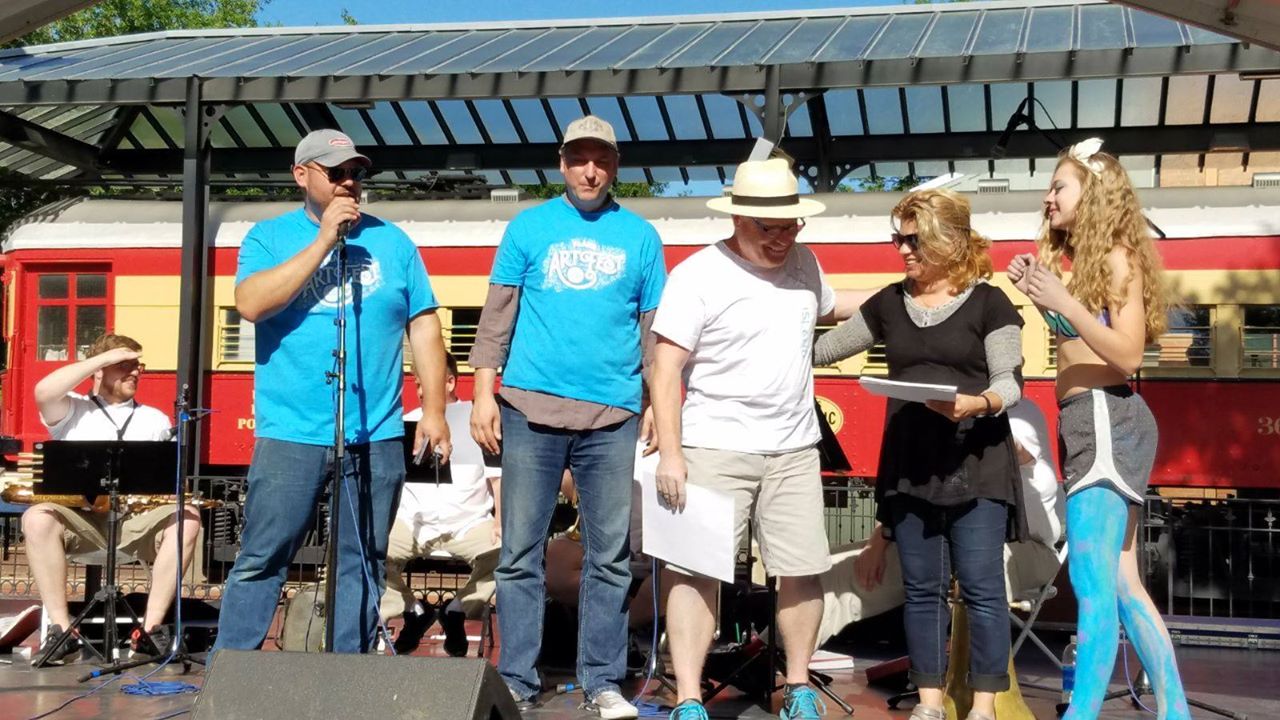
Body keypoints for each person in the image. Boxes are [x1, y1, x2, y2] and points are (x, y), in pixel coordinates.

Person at [214, 129, 451, 654]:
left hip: (375, 431)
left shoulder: (394, 243)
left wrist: (433, 410)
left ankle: (346, 674)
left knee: (362, 560)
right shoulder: (268, 238)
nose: (349, 182)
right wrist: (323, 239)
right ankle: (231, 671)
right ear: (301, 175)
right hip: (290, 431)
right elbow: (251, 304)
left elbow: (424, 326)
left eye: (356, 173)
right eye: (336, 172)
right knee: (263, 556)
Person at [468, 115, 666, 718]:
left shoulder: (641, 237)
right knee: (518, 554)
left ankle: (602, 682)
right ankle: (517, 682)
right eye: (579, 158)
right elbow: (497, 317)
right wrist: (482, 394)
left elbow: (653, 332)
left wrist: (658, 404)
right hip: (528, 408)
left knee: (610, 558)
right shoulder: (528, 227)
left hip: (613, 415)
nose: (590, 170)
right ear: (562, 163)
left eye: (601, 160)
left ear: (615, 166)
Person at [652, 157, 862, 720]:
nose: (782, 238)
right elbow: (665, 369)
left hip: (794, 448)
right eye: (769, 228)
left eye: (791, 226)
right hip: (713, 445)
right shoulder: (696, 275)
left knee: (802, 568)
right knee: (696, 571)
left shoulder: (806, 263)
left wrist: (914, 293)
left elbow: (833, 305)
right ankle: (689, 697)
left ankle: (798, 687)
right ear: (737, 219)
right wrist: (671, 455)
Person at [814, 188, 1025, 720]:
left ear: (950, 240)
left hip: (977, 465)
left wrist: (977, 403)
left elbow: (1010, 383)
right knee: (921, 590)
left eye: (914, 240)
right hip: (909, 469)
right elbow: (824, 349)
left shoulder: (990, 303)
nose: (902, 249)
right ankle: (929, 704)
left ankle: (983, 707)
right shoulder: (888, 302)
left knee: (982, 590)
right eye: (898, 239)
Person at [1007, 138, 1190, 720]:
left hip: (1104, 419)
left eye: (1059, 186)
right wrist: (1045, 297)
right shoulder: (1097, 263)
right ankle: (1175, 711)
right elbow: (1087, 340)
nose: (1048, 197)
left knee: (1090, 582)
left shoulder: (1116, 258)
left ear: (1093, 193)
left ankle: (1081, 713)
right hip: (1092, 421)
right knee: (1120, 585)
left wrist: (1062, 300)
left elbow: (1127, 354)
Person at [816, 399, 1064, 648]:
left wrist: (968, 419)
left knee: (984, 565)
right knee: (837, 572)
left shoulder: (1022, 410)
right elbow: (911, 490)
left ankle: (980, 665)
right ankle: (798, 655)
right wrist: (877, 544)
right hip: (942, 538)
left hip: (1028, 546)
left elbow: (1017, 451)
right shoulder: (930, 409)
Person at [23, 333, 201, 665]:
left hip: (134, 523)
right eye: (124, 365)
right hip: (84, 521)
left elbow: (169, 484)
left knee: (188, 517)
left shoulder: (155, 420)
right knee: (36, 517)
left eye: (138, 366)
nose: (135, 372)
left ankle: (149, 631)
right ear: (100, 369)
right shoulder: (72, 409)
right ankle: (62, 631)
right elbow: (43, 391)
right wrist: (102, 359)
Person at [382, 353, 501, 657]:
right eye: (418, 384)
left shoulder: (477, 420)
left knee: (509, 554)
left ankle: (458, 609)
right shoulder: (406, 422)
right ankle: (410, 609)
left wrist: (501, 521)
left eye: (427, 382)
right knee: (366, 551)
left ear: (449, 382)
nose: (421, 391)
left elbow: (497, 478)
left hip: (469, 523)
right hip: (412, 523)